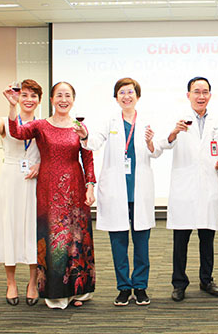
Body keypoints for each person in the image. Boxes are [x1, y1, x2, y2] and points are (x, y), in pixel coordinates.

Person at [5, 81, 96, 309]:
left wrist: (90, 186)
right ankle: (57, 292)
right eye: (59, 95)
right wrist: (13, 107)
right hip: (49, 189)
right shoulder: (40, 125)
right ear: (52, 99)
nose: (63, 100)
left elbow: (88, 158)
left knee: (76, 239)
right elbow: (16, 132)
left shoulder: (79, 127)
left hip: (75, 187)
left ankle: (79, 291)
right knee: (54, 240)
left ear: (73, 100)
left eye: (68, 95)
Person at [75, 78, 162, 306]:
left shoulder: (147, 121)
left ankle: (140, 286)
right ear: (116, 98)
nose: (126, 96)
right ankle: (124, 287)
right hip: (116, 192)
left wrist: (151, 143)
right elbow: (93, 143)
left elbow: (156, 151)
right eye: (122, 92)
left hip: (139, 192)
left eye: (130, 92)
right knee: (119, 244)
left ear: (137, 96)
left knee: (142, 244)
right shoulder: (109, 121)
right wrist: (83, 135)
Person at [161, 77, 218, 302]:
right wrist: (174, 132)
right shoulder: (177, 118)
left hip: (208, 187)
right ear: (188, 95)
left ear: (210, 95)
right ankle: (179, 283)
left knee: (207, 239)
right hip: (184, 188)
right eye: (196, 92)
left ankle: (206, 279)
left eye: (205, 92)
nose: (201, 96)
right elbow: (161, 144)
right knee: (180, 241)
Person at [0, 79, 42, 306]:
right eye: (24, 95)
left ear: (39, 100)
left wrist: (40, 165)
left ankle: (33, 282)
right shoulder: (7, 120)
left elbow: (49, 152)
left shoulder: (42, 125)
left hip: (34, 181)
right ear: (18, 97)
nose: (28, 100)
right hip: (10, 179)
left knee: (33, 231)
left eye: (33, 96)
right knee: (10, 228)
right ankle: (11, 282)